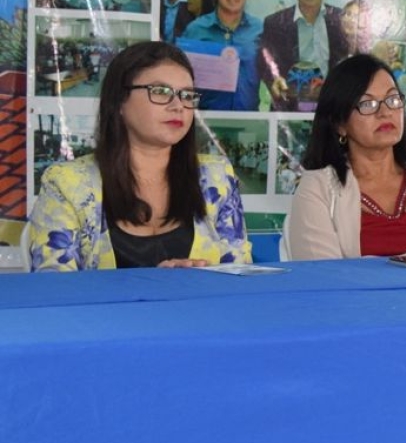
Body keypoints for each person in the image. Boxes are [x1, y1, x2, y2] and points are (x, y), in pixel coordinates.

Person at [27, 41, 252, 271]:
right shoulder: (67, 184)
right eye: (161, 92)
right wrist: (150, 285)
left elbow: (239, 275)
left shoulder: (216, 179)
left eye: (187, 95)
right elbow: (54, 287)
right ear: (120, 101)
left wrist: (192, 282)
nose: (178, 106)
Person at [286, 54, 406, 259]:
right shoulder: (317, 188)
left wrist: (369, 265)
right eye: (367, 104)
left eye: (393, 99)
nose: (386, 112)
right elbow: (325, 276)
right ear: (339, 124)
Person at [258, 0, 349, 111]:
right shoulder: (274, 23)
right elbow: (264, 62)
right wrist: (273, 79)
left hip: (331, 106)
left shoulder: (341, 20)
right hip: (289, 107)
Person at [181, 0, 263, 111]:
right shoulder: (196, 29)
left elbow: (270, 71)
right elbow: (181, 76)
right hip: (205, 119)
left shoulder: (259, 30)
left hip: (248, 119)